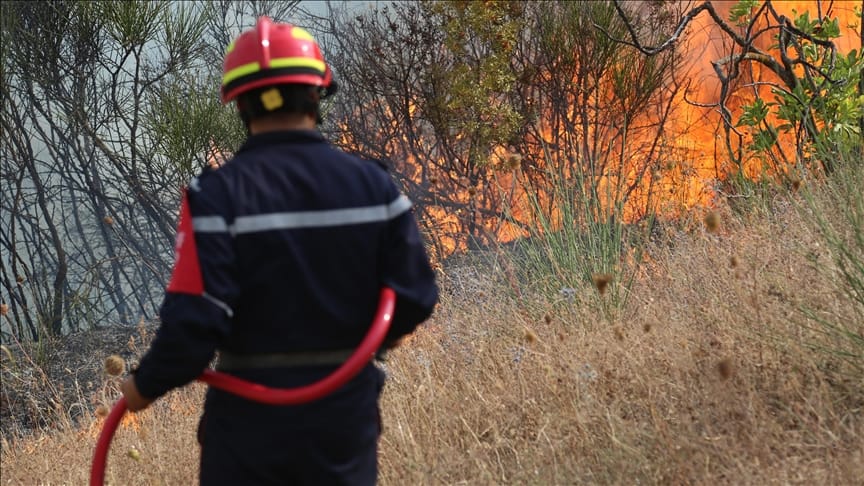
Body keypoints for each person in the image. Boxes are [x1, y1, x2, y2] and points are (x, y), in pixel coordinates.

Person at [120, 16, 438, 485]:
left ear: (241, 104)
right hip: (343, 422)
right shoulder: (373, 187)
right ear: (316, 95)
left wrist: (141, 387)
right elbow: (416, 296)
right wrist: (363, 349)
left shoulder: (214, 198)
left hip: (248, 435)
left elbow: (193, 328)